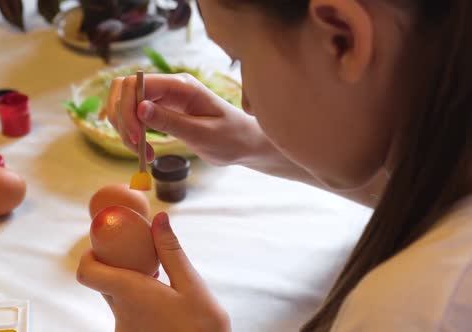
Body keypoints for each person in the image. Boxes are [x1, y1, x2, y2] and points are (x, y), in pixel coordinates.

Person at [77, 0, 472, 331]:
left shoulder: (415, 307)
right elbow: (426, 195)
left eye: (239, 59)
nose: (247, 101)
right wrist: (252, 143)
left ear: (341, 38)